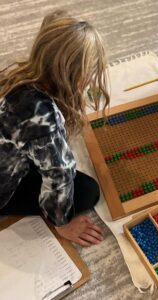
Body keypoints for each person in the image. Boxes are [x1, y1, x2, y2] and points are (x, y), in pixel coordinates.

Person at [0, 10, 109, 246]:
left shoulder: (14, 74)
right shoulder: (44, 118)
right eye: (89, 73)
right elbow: (59, 175)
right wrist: (62, 223)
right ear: (74, 75)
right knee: (87, 191)